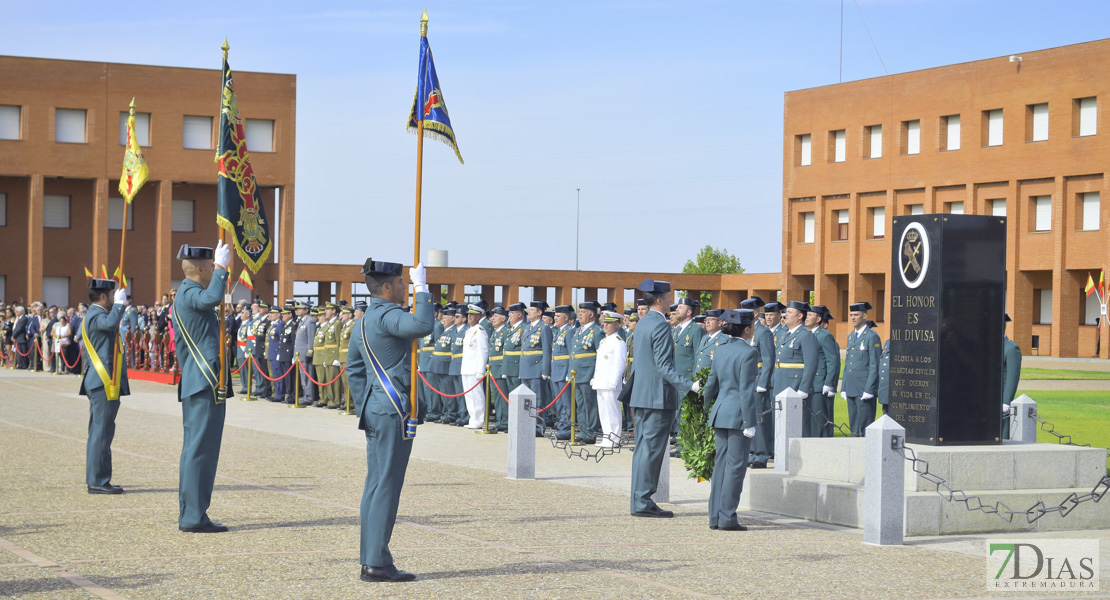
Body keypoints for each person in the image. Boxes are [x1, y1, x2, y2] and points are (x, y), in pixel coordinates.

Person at [346, 258, 433, 583]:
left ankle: (372, 557)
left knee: (375, 485)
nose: (404, 286)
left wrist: (365, 404)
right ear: (386, 287)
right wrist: (424, 289)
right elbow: (424, 326)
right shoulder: (389, 315)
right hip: (393, 409)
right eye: (401, 282)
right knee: (386, 485)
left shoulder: (365, 319)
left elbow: (354, 368)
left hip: (376, 408)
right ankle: (376, 563)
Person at [172, 241, 232, 533]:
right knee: (200, 452)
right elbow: (210, 300)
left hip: (200, 381)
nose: (212, 270)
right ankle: (194, 516)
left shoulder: (187, 292)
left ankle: (192, 512)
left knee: (197, 451)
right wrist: (222, 270)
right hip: (203, 381)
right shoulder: (191, 292)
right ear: (199, 268)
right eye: (209, 266)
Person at [629, 279, 697, 518]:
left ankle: (638, 498)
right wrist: (691, 386)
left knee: (642, 449)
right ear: (660, 299)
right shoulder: (659, 325)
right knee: (652, 451)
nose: (672, 300)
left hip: (642, 394)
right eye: (669, 296)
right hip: (657, 396)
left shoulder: (644, 322)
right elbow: (664, 367)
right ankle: (643, 500)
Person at [704, 309, 759, 531]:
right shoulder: (748, 352)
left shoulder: (720, 350)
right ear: (746, 329)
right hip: (738, 415)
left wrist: (709, 409)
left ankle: (715, 516)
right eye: (753, 326)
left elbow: (710, 386)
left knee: (721, 467)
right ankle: (727, 517)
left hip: (720, 412)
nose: (754, 329)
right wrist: (749, 423)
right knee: (735, 468)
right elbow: (746, 392)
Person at [79, 279, 130, 494]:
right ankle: (98, 481)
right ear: (103, 297)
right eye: (112, 295)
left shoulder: (94, 313)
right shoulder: (96, 315)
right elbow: (109, 324)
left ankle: (97, 477)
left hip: (101, 381)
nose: (113, 298)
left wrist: (117, 306)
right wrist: (119, 306)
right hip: (102, 381)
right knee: (101, 432)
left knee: (101, 431)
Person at [773, 300, 819, 440]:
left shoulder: (806, 335)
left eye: (789, 312)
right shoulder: (784, 334)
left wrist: (803, 388)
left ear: (799, 316)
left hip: (795, 385)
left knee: (799, 425)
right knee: (781, 424)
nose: (785, 315)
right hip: (781, 384)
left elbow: (811, 364)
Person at [842, 301, 882, 436]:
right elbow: (848, 364)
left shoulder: (872, 336)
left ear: (865, 316)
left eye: (856, 315)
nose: (853, 318)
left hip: (864, 387)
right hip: (852, 386)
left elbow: (874, 365)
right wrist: (844, 387)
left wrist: (870, 389)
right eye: (851, 315)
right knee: (854, 425)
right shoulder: (851, 337)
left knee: (865, 425)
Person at [592, 310, 627, 447]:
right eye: (604, 322)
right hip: (601, 381)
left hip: (611, 383)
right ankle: (607, 436)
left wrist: (615, 381)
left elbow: (620, 363)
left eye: (609, 323)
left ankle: (614, 438)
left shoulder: (618, 342)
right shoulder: (604, 341)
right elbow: (600, 363)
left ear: (617, 324)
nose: (605, 325)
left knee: (613, 411)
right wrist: (595, 378)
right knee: (603, 411)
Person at [569, 301, 602, 443]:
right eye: (579, 311)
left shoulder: (597, 331)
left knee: (590, 405)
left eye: (583, 312)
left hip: (588, 373)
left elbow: (599, 355)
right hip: (577, 374)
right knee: (581, 405)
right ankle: (583, 431)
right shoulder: (578, 330)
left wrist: (595, 375)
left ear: (591, 315)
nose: (580, 314)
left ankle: (591, 432)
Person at [519, 300, 552, 435]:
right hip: (526, 367)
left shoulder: (544, 328)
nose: (529, 312)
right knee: (526, 401)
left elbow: (546, 351)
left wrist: (545, 370)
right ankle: (527, 426)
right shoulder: (527, 327)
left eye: (532, 310)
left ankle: (538, 427)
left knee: (537, 400)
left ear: (539, 312)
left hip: (536, 368)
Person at [808, 306, 841, 437]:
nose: (807, 317)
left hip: (820, 383)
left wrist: (829, 383)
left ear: (818, 319)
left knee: (820, 419)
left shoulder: (824, 336)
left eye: (810, 315)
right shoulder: (808, 334)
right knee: (811, 419)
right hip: (810, 383)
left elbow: (832, 361)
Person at [460, 304, 489, 428]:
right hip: (466, 368)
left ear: (479, 316)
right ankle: (473, 419)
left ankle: (479, 419)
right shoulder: (468, 331)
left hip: (475, 369)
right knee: (469, 395)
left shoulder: (480, 331)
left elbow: (484, 352)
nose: (469, 316)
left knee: (477, 395)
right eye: (468, 314)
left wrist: (480, 370)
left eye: (472, 314)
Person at [550, 305, 576, 436]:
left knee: (566, 403)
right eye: (555, 316)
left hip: (564, 369)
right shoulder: (558, 331)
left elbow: (572, 353)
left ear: (566, 318)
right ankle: (561, 425)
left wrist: (570, 371)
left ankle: (566, 428)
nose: (555, 318)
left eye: (558, 316)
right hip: (556, 369)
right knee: (559, 403)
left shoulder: (569, 331)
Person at [486, 306, 508, 431]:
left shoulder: (506, 331)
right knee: (497, 395)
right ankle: (500, 420)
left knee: (502, 395)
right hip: (494, 367)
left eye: (496, 316)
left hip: (500, 366)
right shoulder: (496, 332)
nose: (493, 319)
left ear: (503, 318)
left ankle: (504, 421)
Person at [1002, 314, 1022, 440]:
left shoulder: (1011, 348)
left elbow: (1012, 378)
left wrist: (1006, 402)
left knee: (1001, 435)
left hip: (1001, 397)